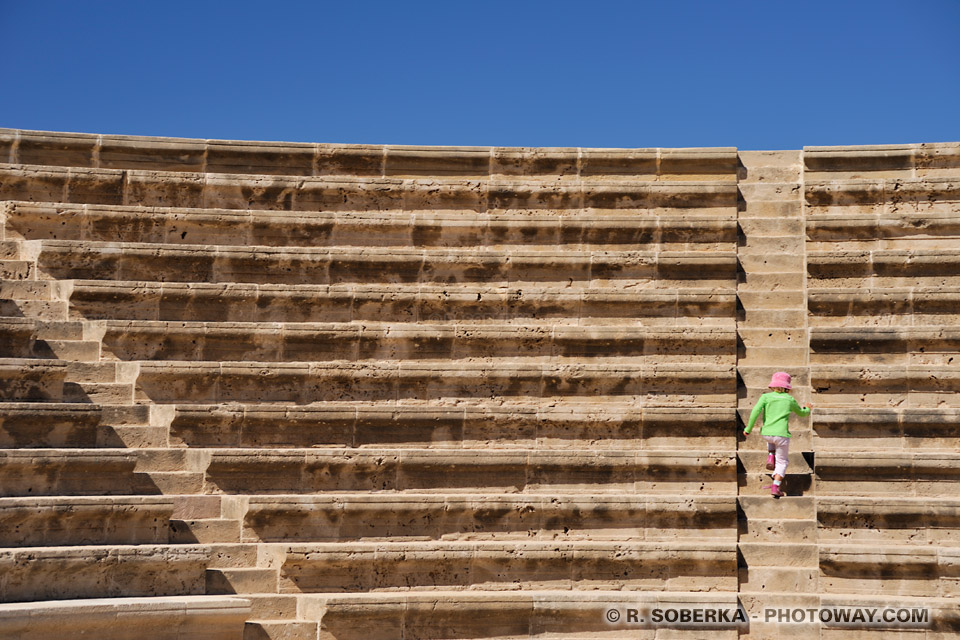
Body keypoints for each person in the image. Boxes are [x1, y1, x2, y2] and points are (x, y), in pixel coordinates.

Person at [743, 372, 811, 498]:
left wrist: (748, 429)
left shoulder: (765, 397)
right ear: (787, 387)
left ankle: (770, 455)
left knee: (771, 438)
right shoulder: (789, 399)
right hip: (782, 436)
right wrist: (807, 409)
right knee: (782, 462)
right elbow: (802, 413)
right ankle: (775, 486)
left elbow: (755, 412)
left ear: (772, 385)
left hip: (767, 434)